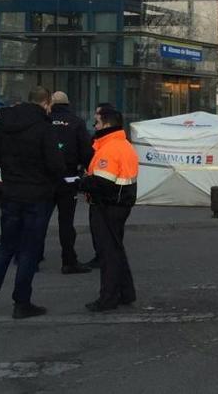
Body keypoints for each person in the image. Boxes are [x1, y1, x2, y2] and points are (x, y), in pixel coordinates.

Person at [0, 86, 65, 319]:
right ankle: (21, 303)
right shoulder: (45, 128)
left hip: (11, 194)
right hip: (37, 196)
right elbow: (56, 165)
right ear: (46, 103)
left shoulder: (4, 124)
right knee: (28, 251)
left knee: (5, 248)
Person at [79, 108, 139, 311]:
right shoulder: (121, 144)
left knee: (108, 254)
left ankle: (109, 297)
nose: (93, 126)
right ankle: (125, 292)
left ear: (106, 124)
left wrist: (80, 183)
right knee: (116, 251)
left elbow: (102, 182)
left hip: (107, 205)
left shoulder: (110, 148)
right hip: (118, 204)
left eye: (96, 122)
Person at [48, 91, 94, 274]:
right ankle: (68, 260)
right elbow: (86, 152)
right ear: (68, 105)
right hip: (68, 178)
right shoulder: (76, 122)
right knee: (66, 222)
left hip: (46, 178)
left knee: (40, 219)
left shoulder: (44, 121)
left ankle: (31, 257)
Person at [82, 102, 115, 270]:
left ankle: (105, 258)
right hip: (96, 194)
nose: (94, 123)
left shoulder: (110, 144)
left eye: (97, 119)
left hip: (104, 196)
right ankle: (102, 256)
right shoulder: (97, 139)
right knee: (98, 230)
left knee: (103, 231)